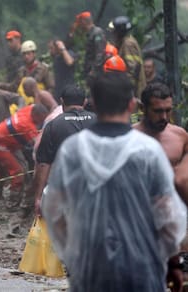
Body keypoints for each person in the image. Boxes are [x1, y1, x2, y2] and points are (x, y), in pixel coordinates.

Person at [42, 71, 187, 292]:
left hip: (92, 269)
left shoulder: (74, 150)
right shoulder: (147, 150)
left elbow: (53, 211)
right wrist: (173, 262)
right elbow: (168, 214)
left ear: (93, 104)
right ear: (131, 105)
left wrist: (72, 255)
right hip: (142, 267)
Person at [133, 82, 188, 258]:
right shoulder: (127, 139)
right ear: (143, 108)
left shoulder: (180, 136)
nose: (164, 116)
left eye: (168, 110)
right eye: (157, 111)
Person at [30, 85, 96, 217]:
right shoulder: (99, 121)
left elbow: (43, 164)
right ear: (84, 102)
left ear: (62, 101)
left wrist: (38, 198)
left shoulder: (53, 125)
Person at [0, 104, 49, 215]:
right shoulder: (27, 125)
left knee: (2, 171)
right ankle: (12, 205)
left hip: (2, 141)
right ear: (36, 115)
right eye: (41, 120)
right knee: (18, 172)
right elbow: (38, 145)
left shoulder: (30, 108)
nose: (41, 123)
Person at [109, 16, 146, 98]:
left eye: (114, 31)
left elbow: (132, 71)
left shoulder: (128, 44)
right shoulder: (124, 42)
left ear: (119, 32)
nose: (112, 33)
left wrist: (125, 90)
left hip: (132, 94)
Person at [73, 11, 106, 84]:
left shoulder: (97, 33)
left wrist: (94, 70)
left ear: (84, 21)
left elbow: (100, 53)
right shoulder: (89, 34)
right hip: (89, 71)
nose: (79, 25)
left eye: (80, 22)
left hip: (95, 73)